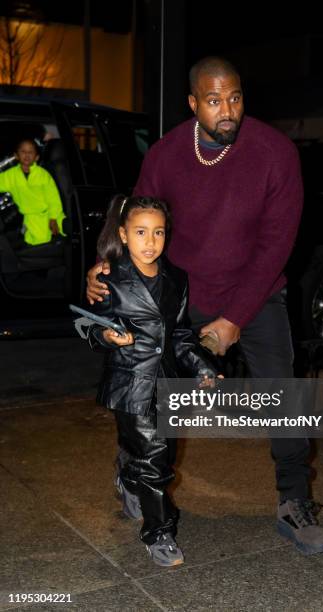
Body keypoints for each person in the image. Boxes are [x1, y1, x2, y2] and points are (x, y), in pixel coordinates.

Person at [87, 56, 323, 556]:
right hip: (180, 296)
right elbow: (139, 220)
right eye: (215, 101)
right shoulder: (166, 153)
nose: (228, 111)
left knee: (281, 395)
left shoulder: (275, 152)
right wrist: (105, 265)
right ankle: (135, 470)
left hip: (257, 293)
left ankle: (294, 502)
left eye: (235, 98)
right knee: (159, 399)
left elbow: (276, 244)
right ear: (194, 103)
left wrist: (234, 318)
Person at [85, 194, 220, 567]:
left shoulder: (176, 278)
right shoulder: (110, 277)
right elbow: (88, 326)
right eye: (141, 232)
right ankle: (159, 533)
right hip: (129, 384)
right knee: (157, 460)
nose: (150, 241)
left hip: (167, 384)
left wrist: (201, 367)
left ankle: (129, 478)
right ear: (124, 235)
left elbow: (180, 335)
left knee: (154, 453)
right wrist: (105, 336)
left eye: (158, 232)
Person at [0, 138, 65, 246]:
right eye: (23, 152)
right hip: (26, 218)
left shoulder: (43, 175)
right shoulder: (11, 176)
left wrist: (53, 218)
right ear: (16, 155)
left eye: (30, 152)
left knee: (40, 245)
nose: (27, 155)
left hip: (43, 217)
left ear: (36, 157)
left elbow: (53, 198)